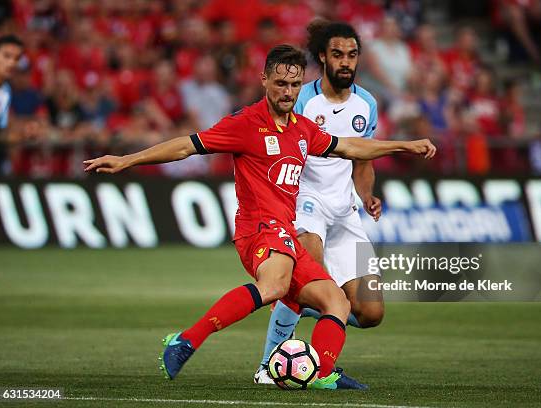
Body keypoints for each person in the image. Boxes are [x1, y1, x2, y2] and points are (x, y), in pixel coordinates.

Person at [84, 44, 435, 390]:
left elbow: (351, 146)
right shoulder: (246, 123)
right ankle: (187, 340)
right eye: (281, 84)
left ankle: (321, 371)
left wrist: (403, 145)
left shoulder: (301, 128)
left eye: (295, 85)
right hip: (259, 229)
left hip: (284, 232)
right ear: (264, 79)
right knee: (276, 286)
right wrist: (127, 160)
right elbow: (186, 146)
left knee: (337, 301)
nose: (288, 92)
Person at [253, 21, 383, 385]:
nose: (346, 62)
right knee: (309, 279)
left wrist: (367, 195)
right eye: (338, 54)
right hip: (306, 204)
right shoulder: (303, 99)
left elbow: (363, 161)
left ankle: (308, 311)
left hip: (346, 213)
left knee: (371, 312)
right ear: (323, 57)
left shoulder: (367, 103)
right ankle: (275, 366)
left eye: (353, 55)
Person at [0, 34, 23, 176]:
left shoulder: (5, 90)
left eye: (17, 58)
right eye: (6, 56)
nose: (11, 63)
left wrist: (21, 134)